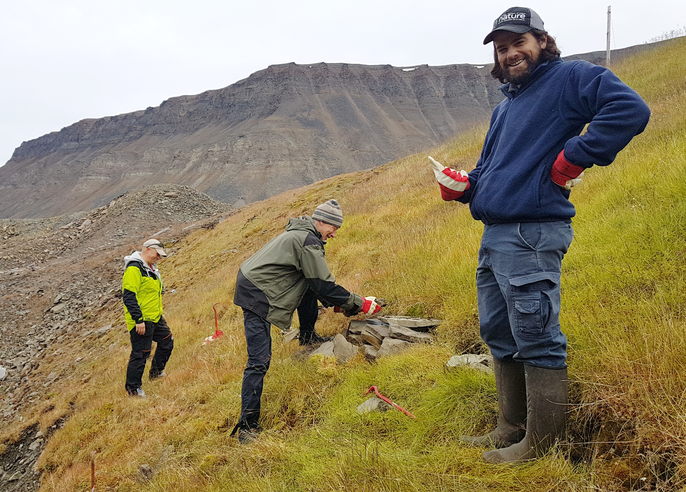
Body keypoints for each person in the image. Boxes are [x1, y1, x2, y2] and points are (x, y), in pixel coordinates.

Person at [429, 6, 650, 463]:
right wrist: (467, 185)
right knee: (499, 330)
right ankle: (510, 426)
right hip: (496, 236)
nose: (511, 54)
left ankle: (541, 446)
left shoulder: (570, 78)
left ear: (542, 42)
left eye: (519, 43)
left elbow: (631, 109)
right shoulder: (504, 107)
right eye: (503, 48)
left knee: (536, 332)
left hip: (533, 233)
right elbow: (492, 169)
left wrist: (575, 157)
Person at [230, 199, 382, 443]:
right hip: (255, 291)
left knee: (309, 288)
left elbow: (316, 283)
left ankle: (308, 336)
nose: (334, 234)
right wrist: (360, 304)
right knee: (259, 360)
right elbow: (325, 285)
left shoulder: (305, 235)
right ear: (320, 222)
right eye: (333, 228)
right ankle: (247, 427)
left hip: (253, 281)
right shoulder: (308, 240)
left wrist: (339, 302)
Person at [122, 239, 174, 397]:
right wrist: (138, 320)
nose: (159, 257)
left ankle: (156, 372)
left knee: (167, 341)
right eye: (157, 254)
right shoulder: (134, 268)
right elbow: (129, 297)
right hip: (142, 320)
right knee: (141, 354)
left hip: (155, 317)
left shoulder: (151, 268)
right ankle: (133, 389)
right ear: (148, 250)